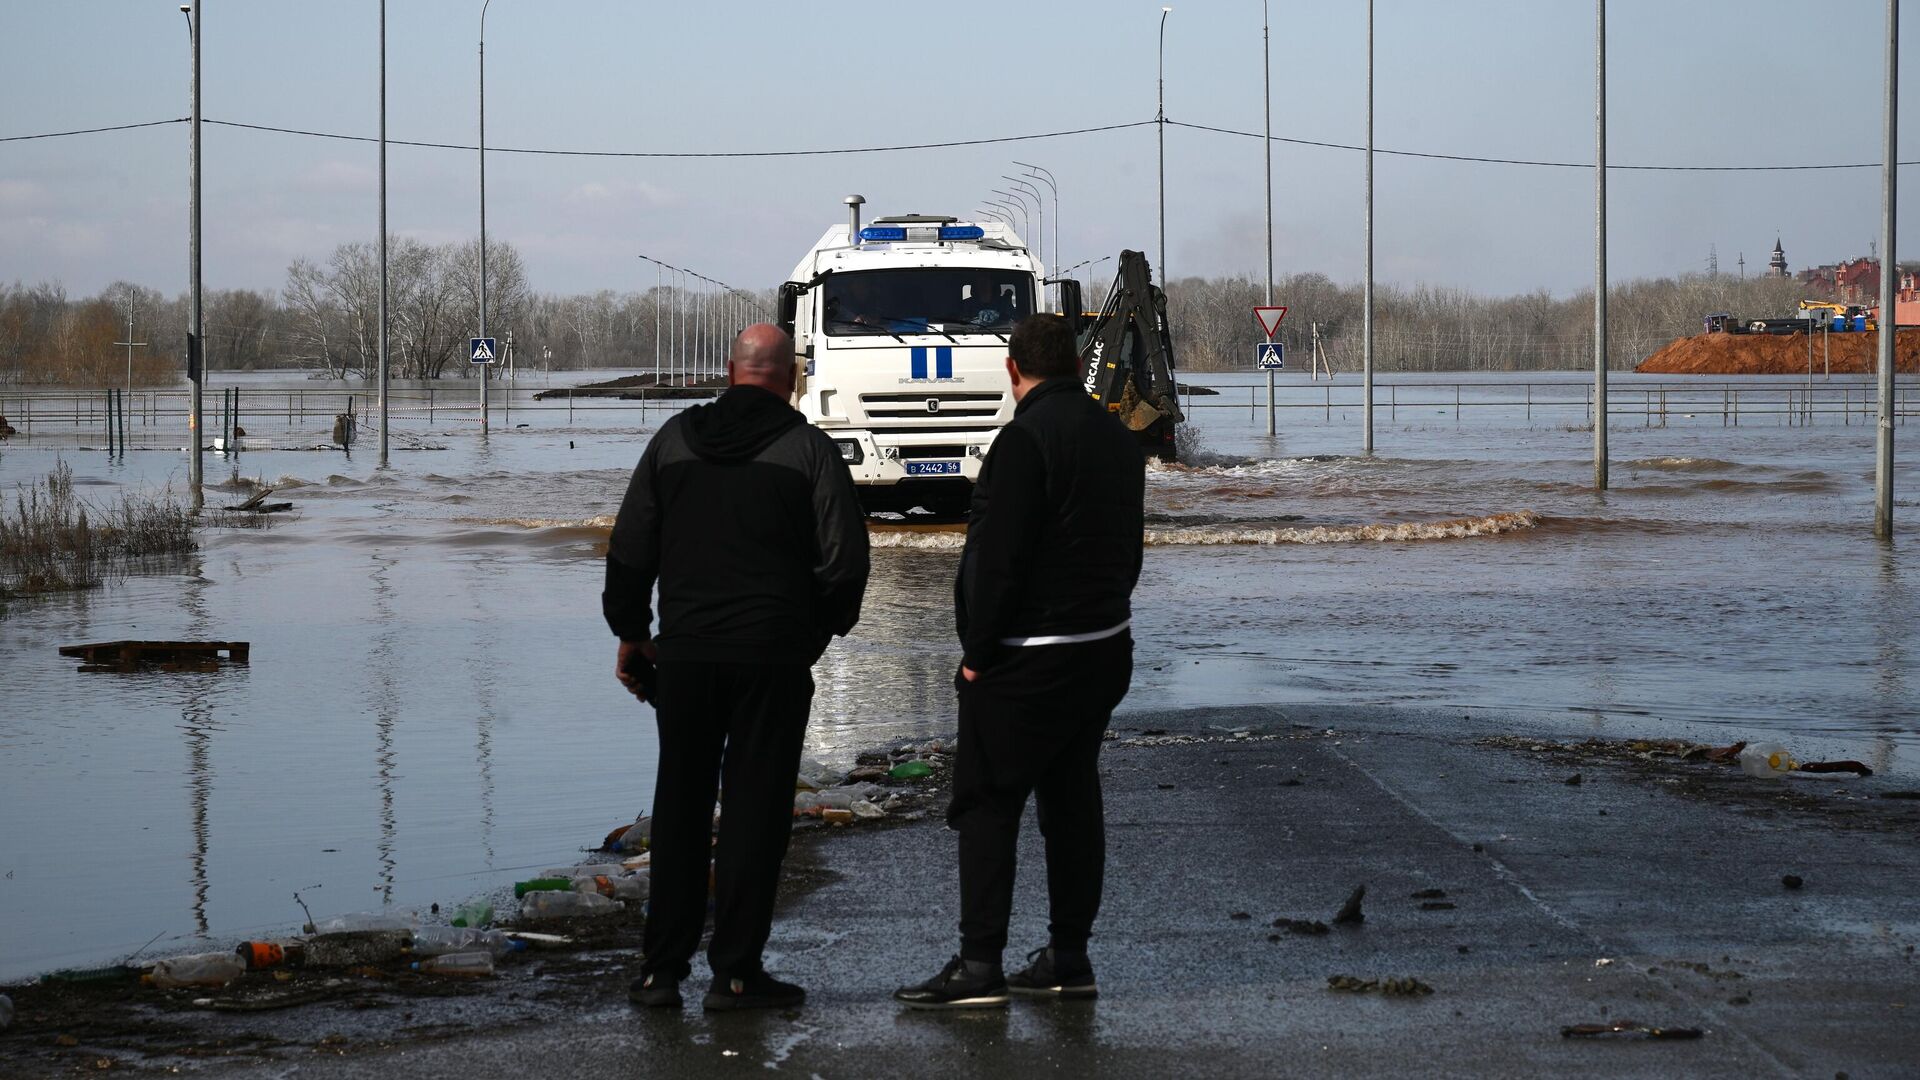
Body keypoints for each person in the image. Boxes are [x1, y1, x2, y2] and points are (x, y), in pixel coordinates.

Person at [604, 323, 870, 1012]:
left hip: (686, 655)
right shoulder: (808, 448)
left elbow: (631, 545)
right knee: (755, 815)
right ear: (792, 378)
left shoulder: (674, 440)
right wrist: (814, 632)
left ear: (730, 370)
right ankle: (738, 975)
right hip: (771, 659)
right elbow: (845, 562)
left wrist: (633, 633)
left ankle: (661, 972)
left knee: (681, 805)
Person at [894, 314, 1144, 1010]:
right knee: (1072, 804)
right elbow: (1129, 551)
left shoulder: (1022, 441)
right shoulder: (1119, 441)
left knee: (986, 803)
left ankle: (979, 966)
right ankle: (1069, 958)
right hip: (1102, 648)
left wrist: (977, 655)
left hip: (1026, 659)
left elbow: (995, 562)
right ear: (1076, 365)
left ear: (1013, 371)